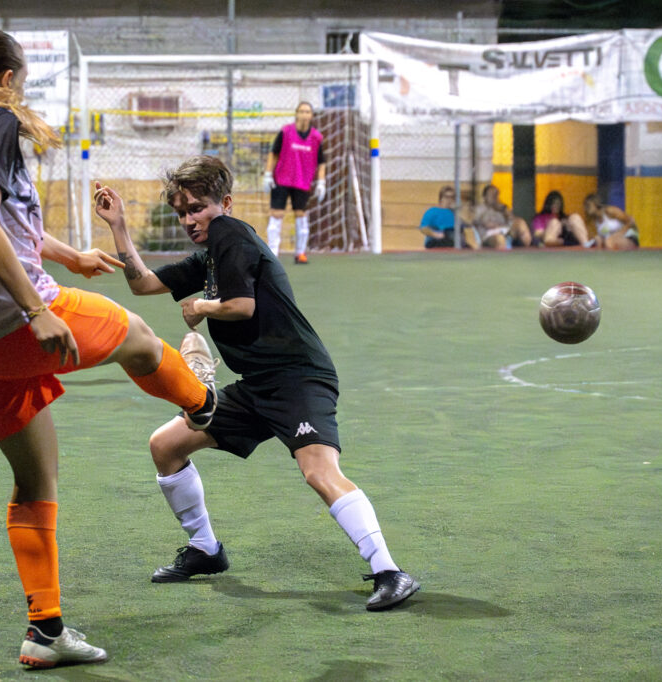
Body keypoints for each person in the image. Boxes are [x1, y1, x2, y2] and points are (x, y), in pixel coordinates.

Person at [0, 28, 216, 670]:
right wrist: (35, 308)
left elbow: (3, 218)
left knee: (35, 478)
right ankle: (204, 403)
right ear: (7, 79)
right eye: (22, 83)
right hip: (11, 316)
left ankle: (45, 630)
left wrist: (70, 253)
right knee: (139, 337)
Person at [93, 155, 420, 612]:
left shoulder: (232, 234)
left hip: (297, 377)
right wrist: (119, 226)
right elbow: (143, 284)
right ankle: (206, 549)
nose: (189, 219)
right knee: (166, 445)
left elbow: (242, 305)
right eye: (181, 212)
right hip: (255, 385)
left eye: (197, 208)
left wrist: (202, 308)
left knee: (319, 472)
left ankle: (390, 571)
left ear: (223, 203)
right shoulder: (210, 254)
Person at [263, 101, 326, 264]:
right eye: (302, 111)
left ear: (311, 116)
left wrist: (321, 182)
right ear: (297, 114)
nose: (305, 115)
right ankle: (272, 253)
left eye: (308, 112)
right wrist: (268, 174)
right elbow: (273, 153)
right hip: (282, 179)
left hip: (302, 181)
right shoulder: (285, 132)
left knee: (301, 215)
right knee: (276, 215)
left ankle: (300, 253)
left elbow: (321, 162)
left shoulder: (316, 138)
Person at [472, 184, 532, 248]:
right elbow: (474, 222)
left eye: (496, 194)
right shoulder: (479, 209)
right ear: (484, 196)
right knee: (499, 238)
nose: (494, 196)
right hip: (488, 234)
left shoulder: (502, 207)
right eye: (491, 194)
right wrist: (485, 220)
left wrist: (504, 210)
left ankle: (527, 251)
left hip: (505, 231)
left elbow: (512, 220)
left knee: (521, 223)